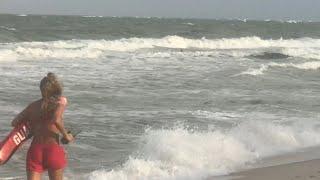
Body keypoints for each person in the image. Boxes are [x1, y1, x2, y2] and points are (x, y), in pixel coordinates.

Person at [11, 73, 74, 180]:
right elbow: (56, 119)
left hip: (35, 151)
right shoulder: (59, 102)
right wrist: (66, 135)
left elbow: (14, 122)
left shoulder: (32, 106)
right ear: (56, 89)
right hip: (52, 150)